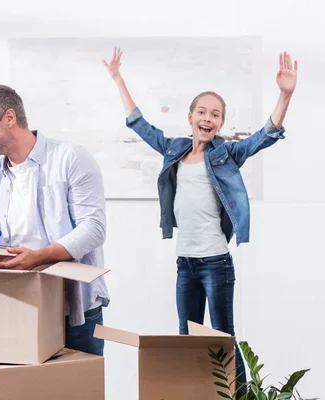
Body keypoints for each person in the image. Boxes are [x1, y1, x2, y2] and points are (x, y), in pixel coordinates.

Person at [103, 47, 298, 393]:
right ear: (190, 117)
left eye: (216, 115)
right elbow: (139, 123)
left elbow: (264, 136)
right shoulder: (175, 150)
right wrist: (118, 78)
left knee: (222, 340)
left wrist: (284, 94)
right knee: (186, 339)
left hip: (216, 264)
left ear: (221, 124)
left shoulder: (226, 154)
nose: (209, 118)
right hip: (185, 264)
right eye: (202, 112)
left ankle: (239, 395)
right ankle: (193, 393)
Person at [0, 84, 109, 355]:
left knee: (80, 391)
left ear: (9, 118)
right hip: (19, 305)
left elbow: (94, 229)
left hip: (73, 307)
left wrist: (40, 256)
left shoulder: (70, 158)